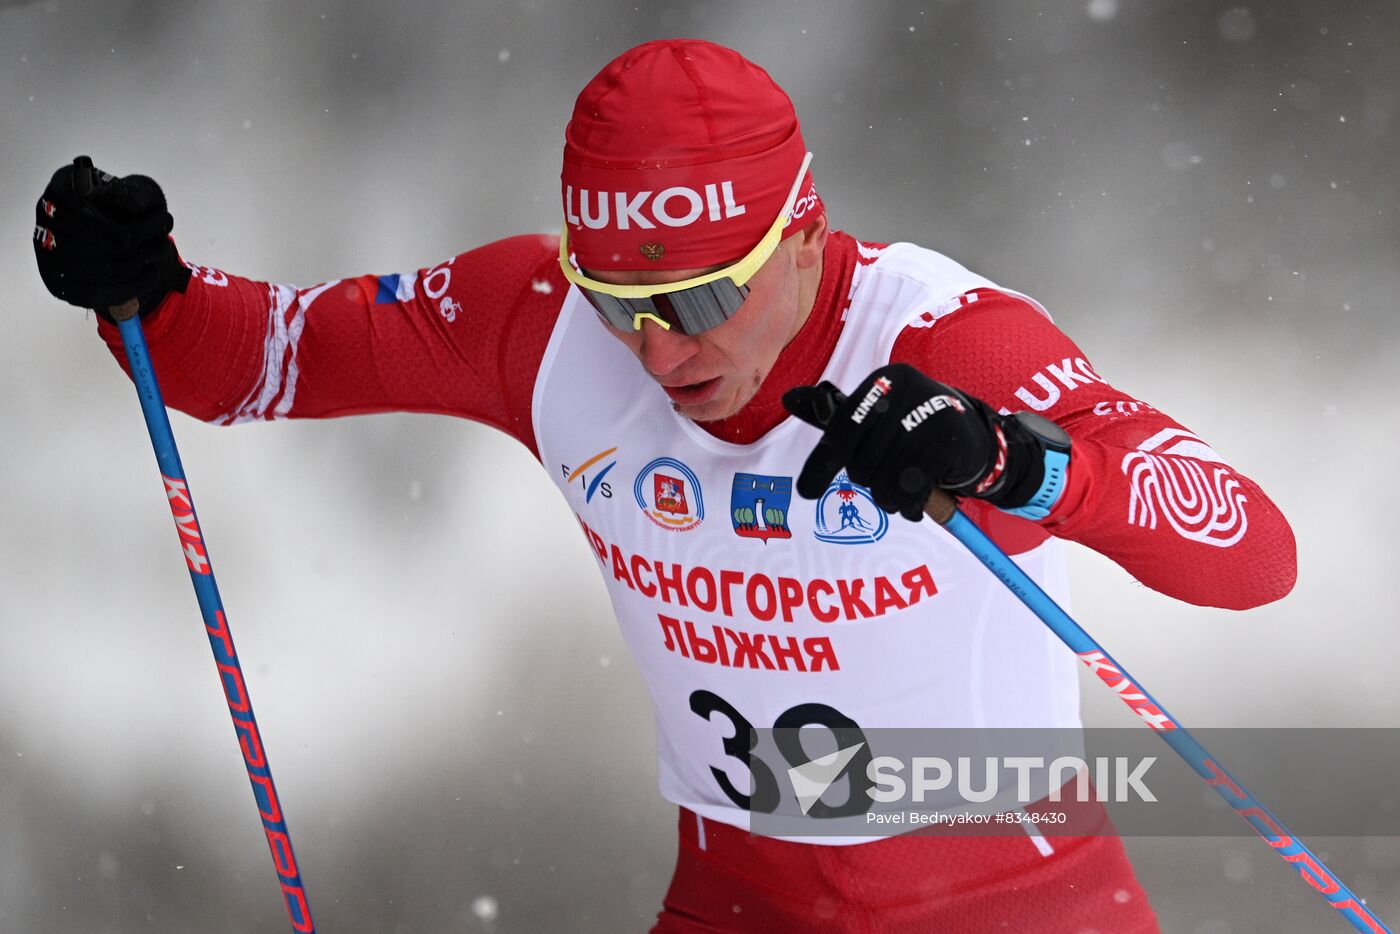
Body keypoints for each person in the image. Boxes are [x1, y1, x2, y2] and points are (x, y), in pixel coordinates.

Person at [34, 38, 1296, 933]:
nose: (657, 349)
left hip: (1013, 903)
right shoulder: (536, 325)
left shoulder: (948, 343)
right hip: (738, 900)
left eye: (698, 296)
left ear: (800, 231)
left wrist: (1013, 459)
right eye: (619, 296)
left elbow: (1251, 551)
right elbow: (251, 359)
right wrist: (145, 287)